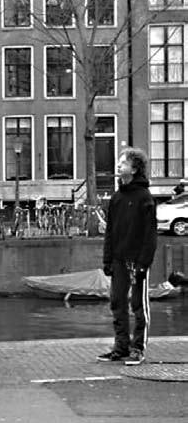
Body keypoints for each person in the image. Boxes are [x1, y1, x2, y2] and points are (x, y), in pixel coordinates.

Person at [97, 147, 157, 366]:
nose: (118, 165)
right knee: (117, 303)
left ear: (134, 169)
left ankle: (138, 348)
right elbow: (110, 232)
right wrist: (108, 260)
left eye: (123, 162)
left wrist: (143, 263)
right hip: (119, 260)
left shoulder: (144, 197)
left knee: (138, 305)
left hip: (136, 261)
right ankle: (121, 346)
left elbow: (150, 235)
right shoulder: (117, 197)